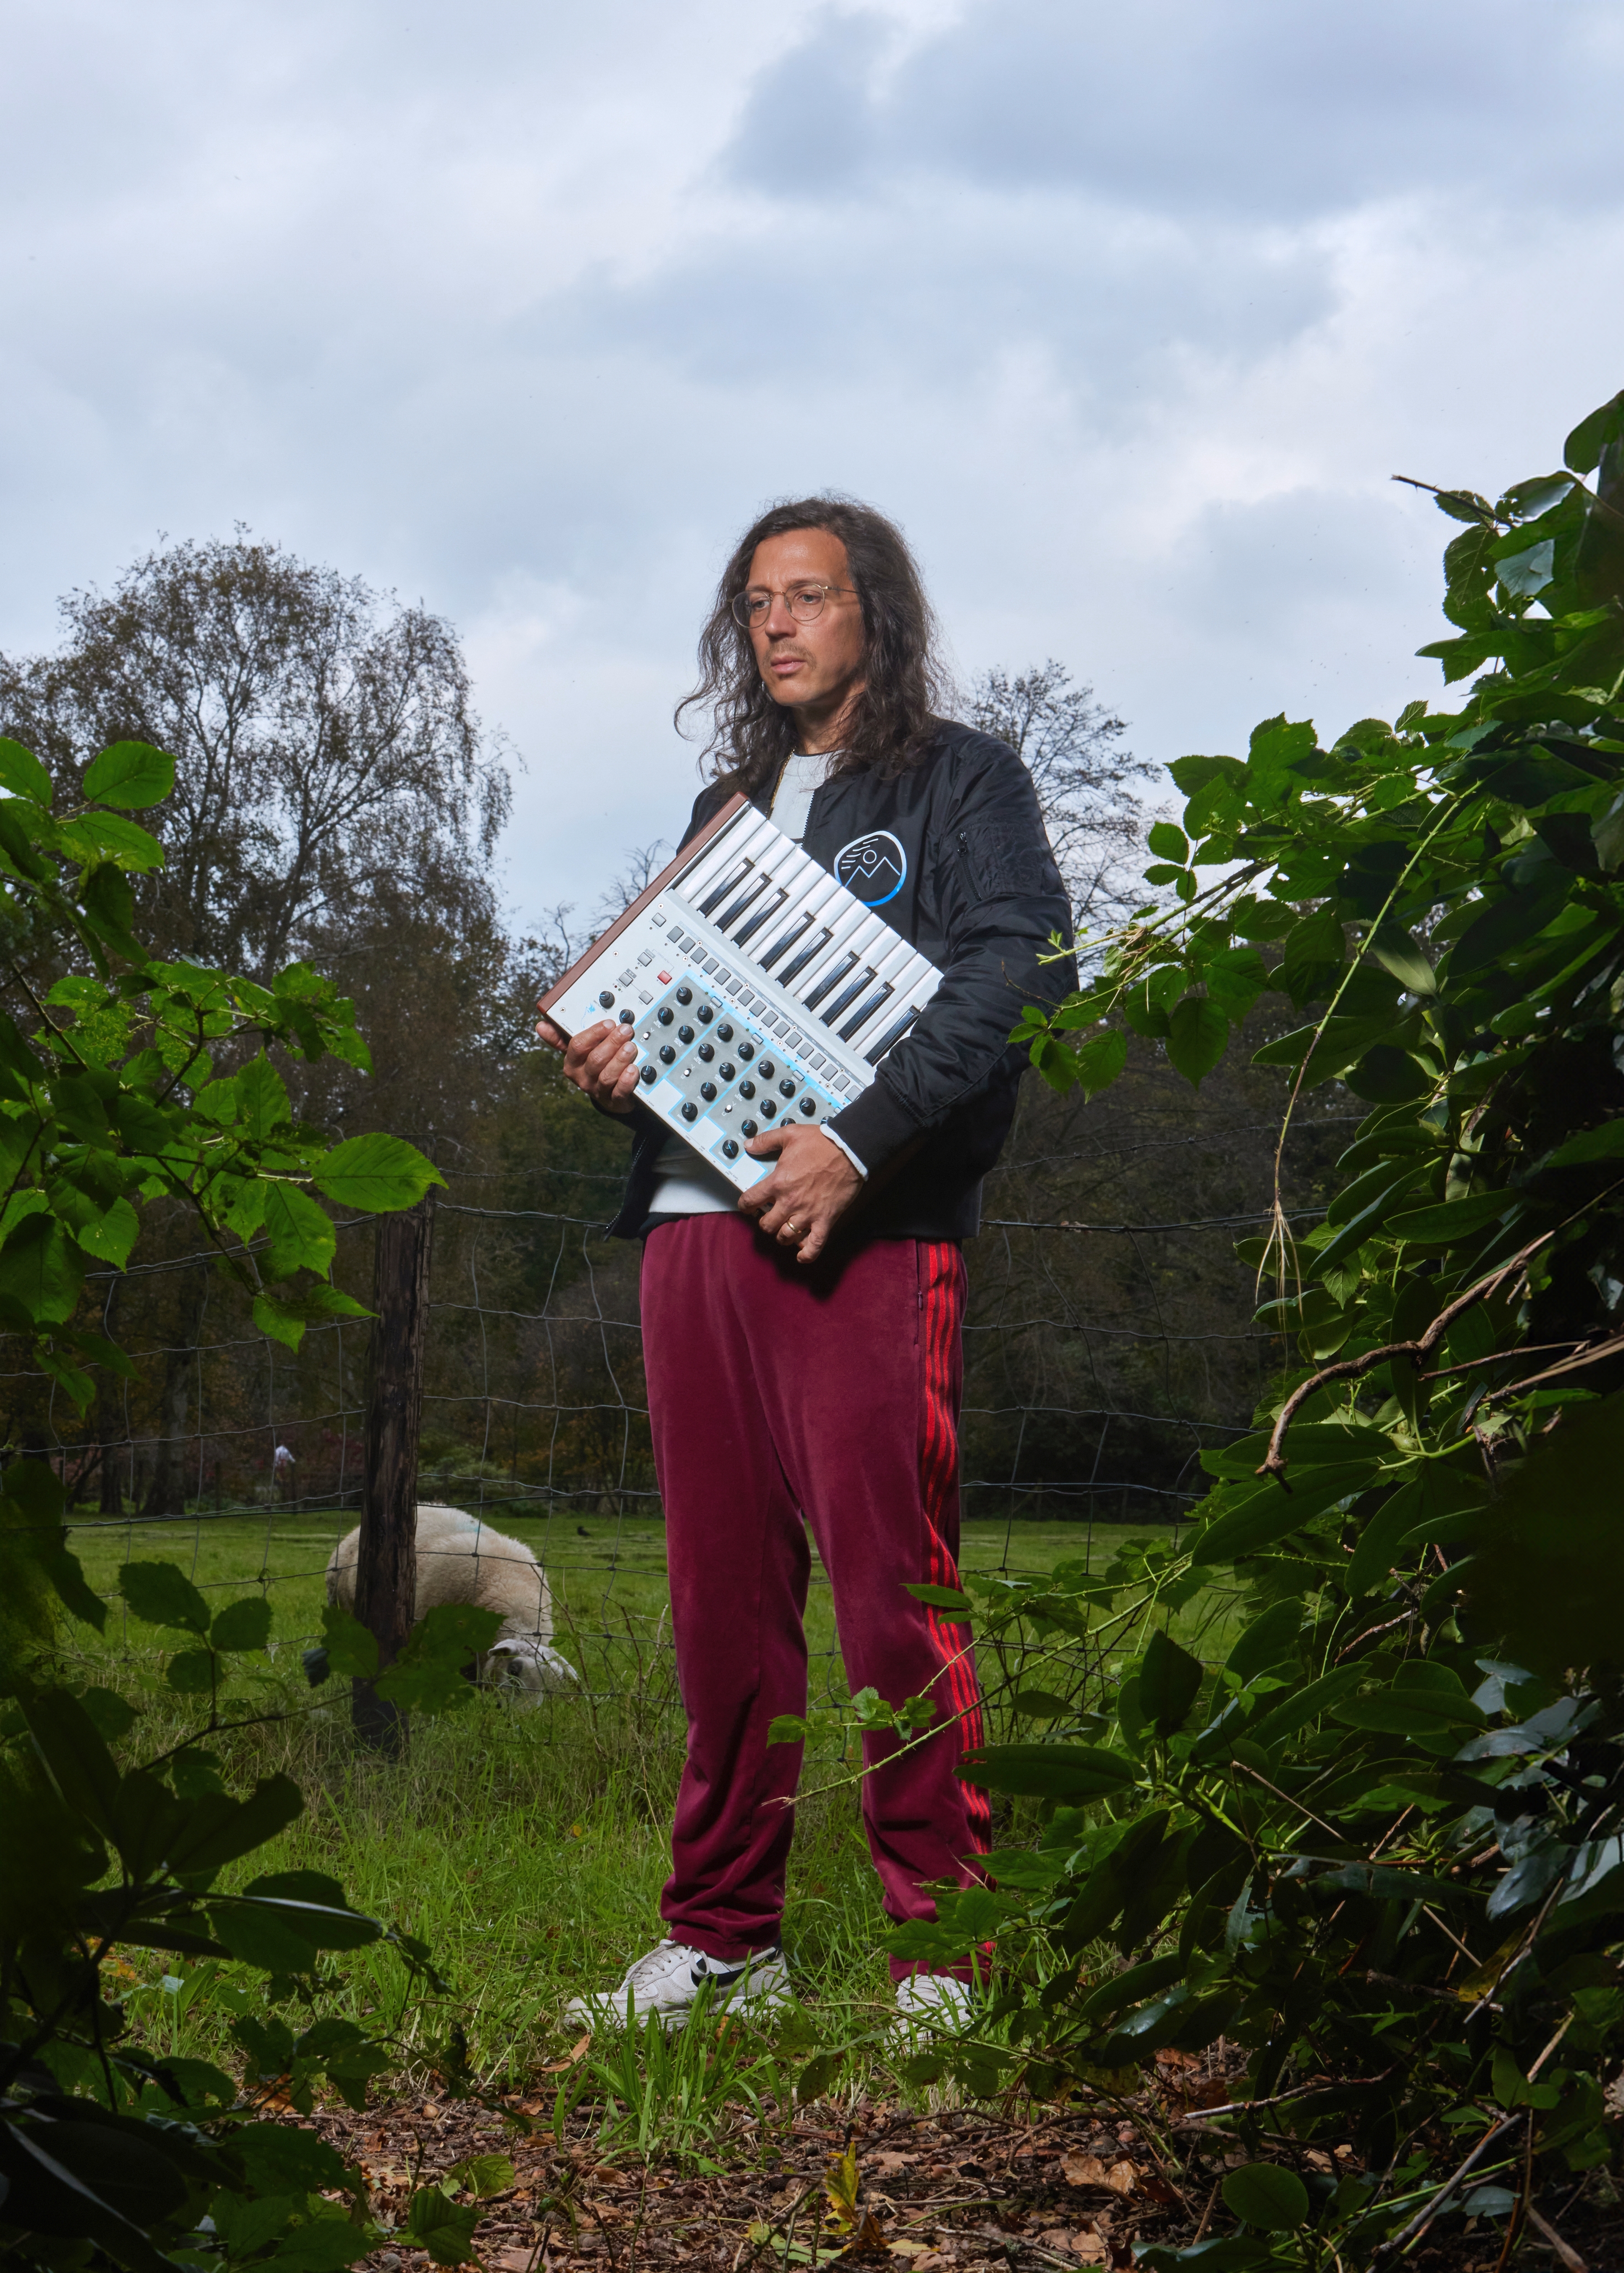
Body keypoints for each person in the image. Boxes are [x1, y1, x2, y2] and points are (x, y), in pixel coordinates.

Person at [539, 498, 1073, 2026]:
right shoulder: (733, 798)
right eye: (757, 601)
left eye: (810, 598)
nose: (778, 624)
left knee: (894, 1604)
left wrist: (860, 1136)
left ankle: (943, 1955)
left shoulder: (962, 779)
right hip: (691, 1238)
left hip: (869, 1231)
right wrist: (623, 1057)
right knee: (722, 1607)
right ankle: (722, 1944)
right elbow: (687, 1007)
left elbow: (1018, 972)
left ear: (874, 620)